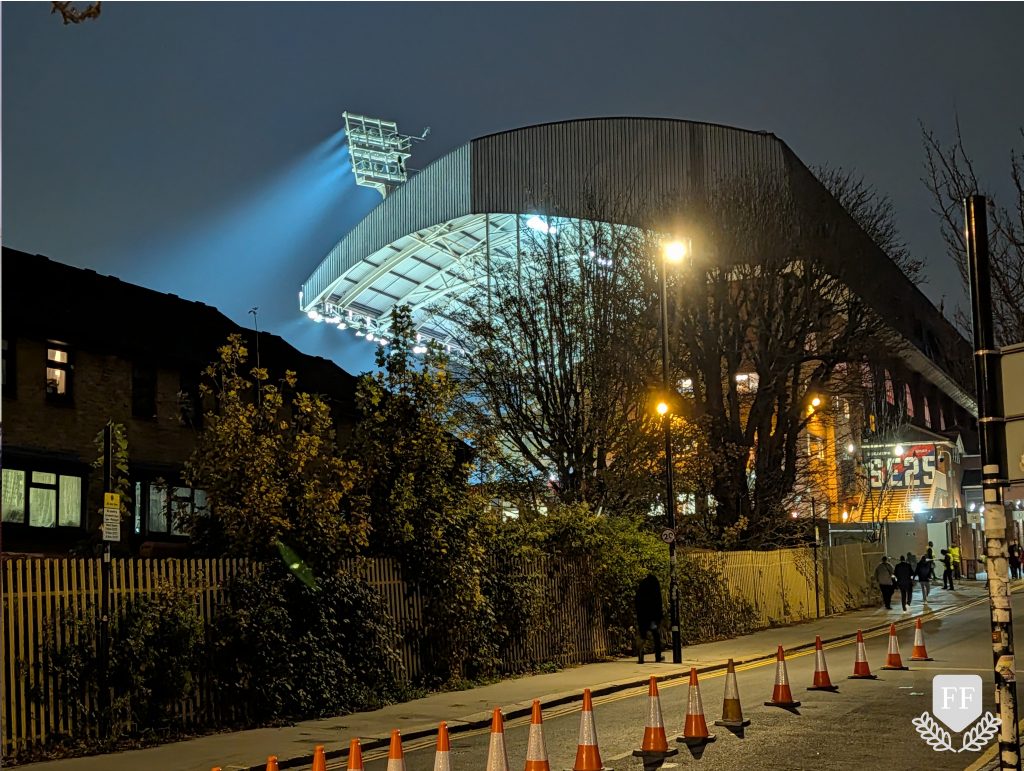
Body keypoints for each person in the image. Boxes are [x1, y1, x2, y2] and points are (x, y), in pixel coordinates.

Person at [635, 573, 664, 664]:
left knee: (642, 635)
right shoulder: (655, 585)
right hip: (652, 617)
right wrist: (658, 616)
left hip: (642, 616)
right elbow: (658, 602)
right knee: (656, 636)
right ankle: (658, 656)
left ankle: (641, 653)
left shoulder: (642, 585)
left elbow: (637, 600)